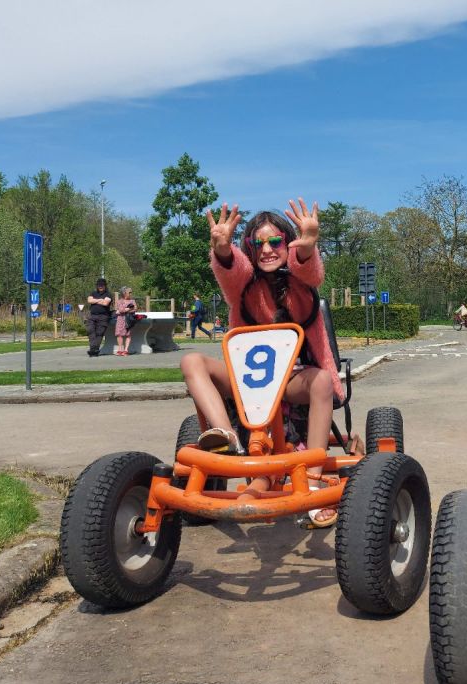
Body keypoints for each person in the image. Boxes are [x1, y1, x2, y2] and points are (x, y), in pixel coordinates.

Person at [179, 199, 346, 528]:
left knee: (322, 381)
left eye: (275, 242)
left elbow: (308, 270)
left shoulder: (301, 285)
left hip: (294, 381)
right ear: (250, 250)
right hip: (248, 383)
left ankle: (313, 481)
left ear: (288, 243)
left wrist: (307, 247)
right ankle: (226, 437)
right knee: (192, 360)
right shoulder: (243, 286)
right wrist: (222, 248)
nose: (267, 250)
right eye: (258, 244)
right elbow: (232, 270)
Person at [85, 278, 112, 357]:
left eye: (102, 285)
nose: (100, 286)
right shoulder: (93, 293)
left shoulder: (108, 294)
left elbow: (105, 303)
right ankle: (93, 348)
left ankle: (94, 350)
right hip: (92, 315)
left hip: (103, 316)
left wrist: (95, 300)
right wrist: (100, 300)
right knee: (90, 330)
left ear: (105, 286)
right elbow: (89, 300)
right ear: (97, 286)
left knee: (99, 333)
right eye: (99, 285)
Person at [114, 286, 138, 356]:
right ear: (124, 293)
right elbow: (121, 310)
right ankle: (120, 349)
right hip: (120, 319)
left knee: (128, 334)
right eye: (129, 292)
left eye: (131, 292)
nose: (131, 294)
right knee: (119, 334)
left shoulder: (132, 301)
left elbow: (135, 309)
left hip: (129, 319)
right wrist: (129, 308)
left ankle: (126, 350)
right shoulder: (119, 301)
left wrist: (126, 309)